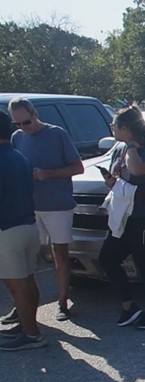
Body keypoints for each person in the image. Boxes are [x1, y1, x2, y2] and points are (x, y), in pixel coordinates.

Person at [8, 97, 83, 322]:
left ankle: (62, 302)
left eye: (25, 122)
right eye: (17, 124)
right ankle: (24, 305)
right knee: (27, 257)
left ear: (35, 114)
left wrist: (48, 173)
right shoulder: (17, 138)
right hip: (29, 207)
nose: (22, 128)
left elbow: (77, 167)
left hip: (57, 205)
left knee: (59, 253)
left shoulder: (57, 134)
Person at [99, 106, 145, 330]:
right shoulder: (119, 148)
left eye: (115, 126)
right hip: (123, 217)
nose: (112, 129)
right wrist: (110, 181)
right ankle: (128, 305)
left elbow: (138, 171)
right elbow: (120, 176)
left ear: (126, 129)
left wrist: (133, 149)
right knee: (108, 258)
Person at [0, 111, 47, 351]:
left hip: (6, 229)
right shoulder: (20, 157)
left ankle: (32, 334)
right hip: (29, 225)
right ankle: (28, 324)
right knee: (28, 280)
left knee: (16, 285)